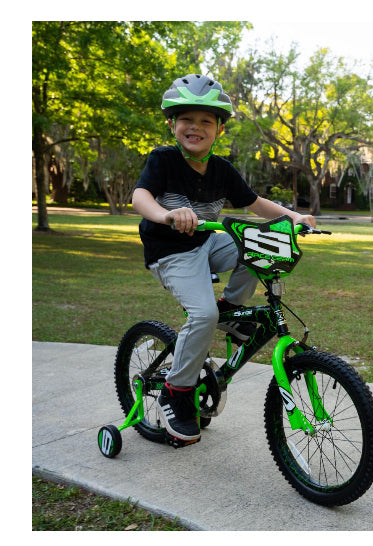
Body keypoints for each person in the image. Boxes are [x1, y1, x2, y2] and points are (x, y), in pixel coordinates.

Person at [132, 74, 316, 446]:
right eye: (187, 119)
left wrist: (292, 218)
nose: (195, 127)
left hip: (205, 244)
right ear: (172, 124)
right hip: (170, 252)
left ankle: (231, 309)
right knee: (202, 315)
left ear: (218, 129)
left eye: (206, 121)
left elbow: (255, 204)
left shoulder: (222, 169)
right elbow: (140, 197)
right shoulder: (163, 159)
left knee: (261, 244)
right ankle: (176, 391)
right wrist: (167, 215)